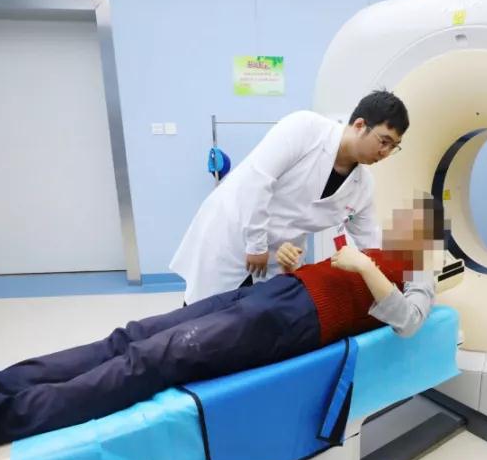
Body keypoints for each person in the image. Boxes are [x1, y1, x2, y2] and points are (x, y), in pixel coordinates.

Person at [0, 197, 444, 460]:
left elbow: (408, 321)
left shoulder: (421, 273)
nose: (401, 225)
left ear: (428, 238)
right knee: (130, 336)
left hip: (293, 323)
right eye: (404, 217)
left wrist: (364, 267)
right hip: (274, 296)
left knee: (153, 359)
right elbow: (339, 282)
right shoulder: (373, 251)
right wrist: (291, 263)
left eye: (415, 224)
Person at [170, 90, 409, 304]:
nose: (385, 152)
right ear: (359, 125)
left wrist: (395, 284)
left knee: (251, 322)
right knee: (201, 315)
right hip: (233, 235)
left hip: (281, 255)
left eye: (393, 147)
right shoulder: (305, 128)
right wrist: (256, 245)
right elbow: (258, 180)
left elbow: (370, 241)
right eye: (384, 141)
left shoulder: (363, 186)